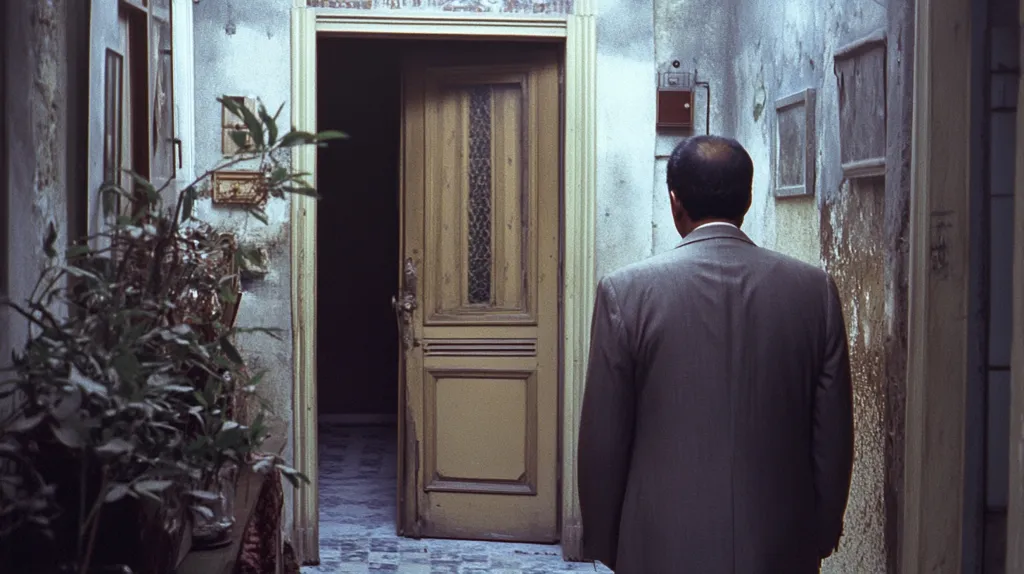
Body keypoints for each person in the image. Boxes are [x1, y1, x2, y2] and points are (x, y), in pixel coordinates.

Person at [576, 135, 854, 573]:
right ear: (746, 199)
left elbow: (603, 441)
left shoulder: (625, 293)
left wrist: (608, 541)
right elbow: (833, 435)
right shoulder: (813, 292)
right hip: (780, 543)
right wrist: (820, 530)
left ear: (675, 202)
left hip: (658, 544)